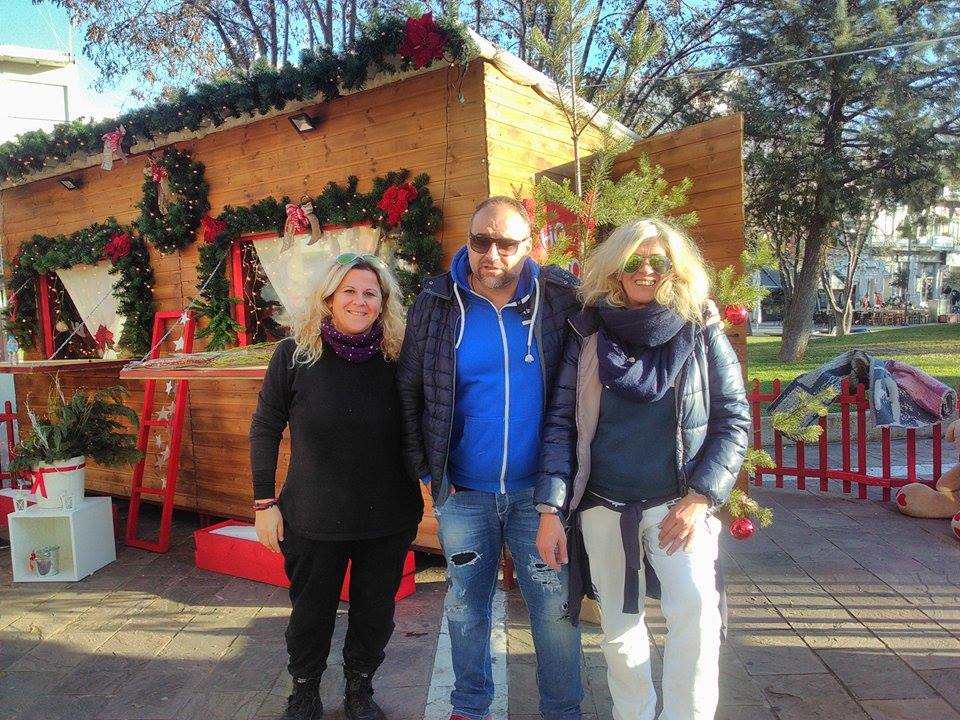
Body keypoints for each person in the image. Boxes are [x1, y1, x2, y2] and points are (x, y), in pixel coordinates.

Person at [536, 218, 751, 720]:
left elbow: (733, 418)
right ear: (617, 266)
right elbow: (562, 424)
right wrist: (550, 508)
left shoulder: (699, 326)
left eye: (659, 261)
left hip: (678, 507)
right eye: (634, 260)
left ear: (676, 269)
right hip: (604, 507)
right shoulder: (588, 330)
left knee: (695, 617)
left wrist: (702, 496)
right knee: (619, 631)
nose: (646, 270)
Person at [396, 196, 584, 720]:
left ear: (530, 246)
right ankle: (470, 705)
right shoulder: (436, 301)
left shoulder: (561, 298)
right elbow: (409, 389)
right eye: (481, 241)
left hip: (541, 496)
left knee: (554, 610)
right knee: (465, 607)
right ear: (469, 241)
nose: (492, 254)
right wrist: (426, 470)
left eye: (506, 243)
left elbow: (618, 319)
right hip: (464, 493)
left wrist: (697, 313)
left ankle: (563, 711)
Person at [250, 253, 424, 720]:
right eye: (349, 291)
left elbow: (430, 419)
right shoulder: (294, 355)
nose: (359, 301)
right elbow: (265, 427)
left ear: (383, 302)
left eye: (370, 293)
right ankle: (305, 690)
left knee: (374, 614)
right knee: (310, 615)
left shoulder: (400, 358)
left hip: (387, 517)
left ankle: (359, 688)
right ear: (329, 297)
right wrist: (264, 502)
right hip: (313, 517)